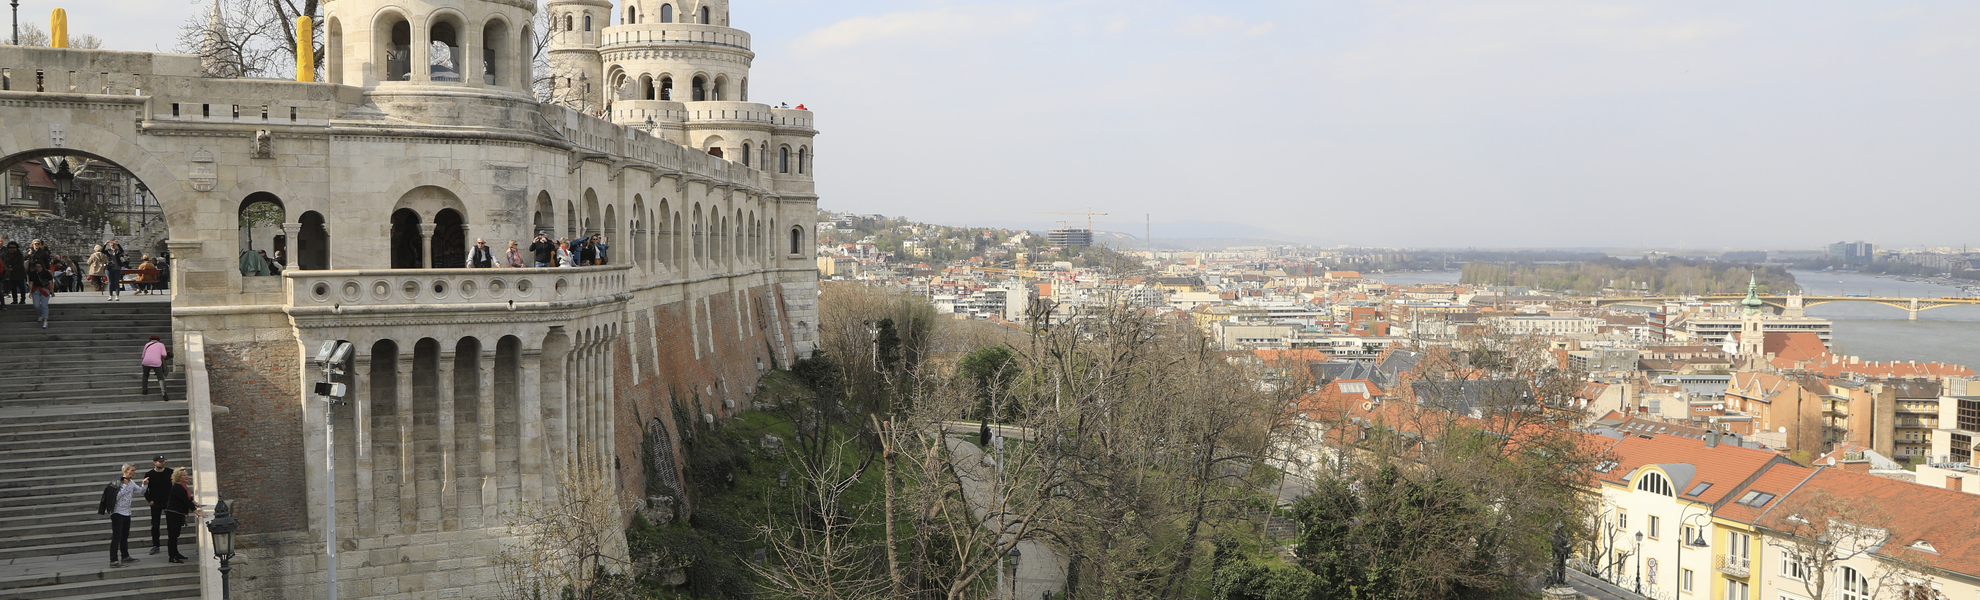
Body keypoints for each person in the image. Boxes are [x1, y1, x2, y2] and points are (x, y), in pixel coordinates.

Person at [97, 464, 146, 567]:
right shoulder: (117, 482)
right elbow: (115, 498)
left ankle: (125, 555)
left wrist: (144, 484)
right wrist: (125, 486)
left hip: (127, 513)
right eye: (132, 470)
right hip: (117, 513)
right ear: (126, 471)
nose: (134, 472)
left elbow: (140, 491)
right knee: (116, 536)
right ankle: (113, 560)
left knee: (125, 535)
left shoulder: (131, 482)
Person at [162, 468, 203, 563]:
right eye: (184, 475)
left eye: (186, 474)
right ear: (178, 477)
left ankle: (176, 553)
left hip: (178, 513)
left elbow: (189, 497)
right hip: (173, 514)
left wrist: (196, 503)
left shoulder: (183, 486)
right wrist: (197, 512)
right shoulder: (177, 487)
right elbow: (186, 501)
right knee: (173, 535)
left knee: (176, 534)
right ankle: (172, 556)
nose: (186, 476)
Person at [141, 456, 174, 555]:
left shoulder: (169, 472)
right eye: (160, 462)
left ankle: (171, 545)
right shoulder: (149, 474)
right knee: (155, 525)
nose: (162, 463)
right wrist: (149, 500)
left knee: (171, 524)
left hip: (168, 502)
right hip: (156, 502)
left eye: (163, 461)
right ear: (154, 463)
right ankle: (156, 545)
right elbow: (145, 488)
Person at [141, 335, 170, 400]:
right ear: (158, 340)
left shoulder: (147, 344)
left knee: (145, 376)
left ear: (150, 340)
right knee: (160, 378)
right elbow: (164, 354)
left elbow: (143, 355)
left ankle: (144, 391)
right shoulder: (161, 345)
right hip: (156, 362)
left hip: (146, 361)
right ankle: (164, 393)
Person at [28, 259, 53, 328]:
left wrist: (52, 291)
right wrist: (30, 292)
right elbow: (31, 283)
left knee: (44, 305)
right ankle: (40, 315)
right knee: (36, 305)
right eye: (37, 266)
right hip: (36, 290)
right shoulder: (33, 273)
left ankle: (45, 320)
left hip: (45, 289)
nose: (38, 268)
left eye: (40, 266)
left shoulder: (46, 273)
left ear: (42, 267)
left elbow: (50, 282)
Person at [1, 241, 24, 306]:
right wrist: (6, 267)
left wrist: (13, 268)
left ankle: (22, 300)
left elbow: (20, 263)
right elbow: (5, 262)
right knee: (13, 287)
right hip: (11, 273)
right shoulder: (7, 254)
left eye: (14, 247)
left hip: (19, 273)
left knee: (21, 287)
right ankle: (15, 300)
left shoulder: (19, 254)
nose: (12, 249)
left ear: (16, 248)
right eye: (10, 247)